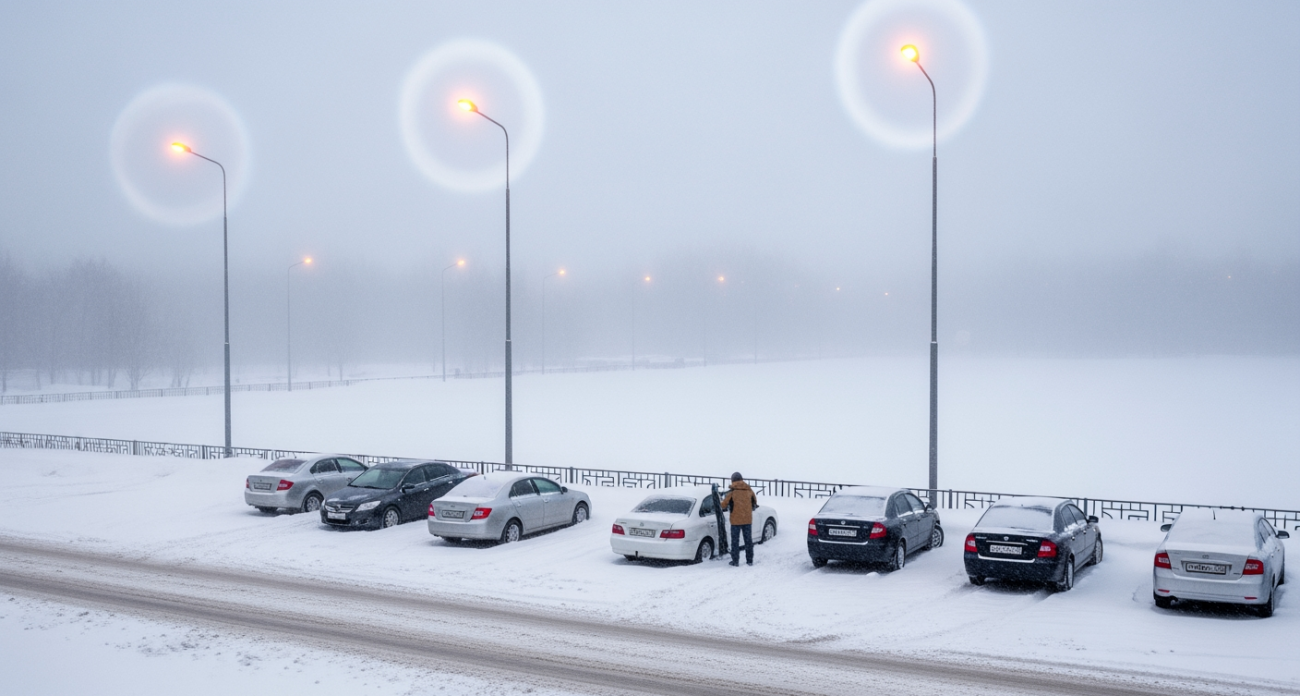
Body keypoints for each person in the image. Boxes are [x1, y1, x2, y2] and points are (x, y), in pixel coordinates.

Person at [721, 472, 758, 566]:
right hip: (747, 520)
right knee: (748, 541)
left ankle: (735, 561)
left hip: (735, 521)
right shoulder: (749, 490)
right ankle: (749, 561)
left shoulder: (731, 492)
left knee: (735, 541)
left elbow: (723, 505)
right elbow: (755, 502)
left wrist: (719, 500)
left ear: (732, 480)